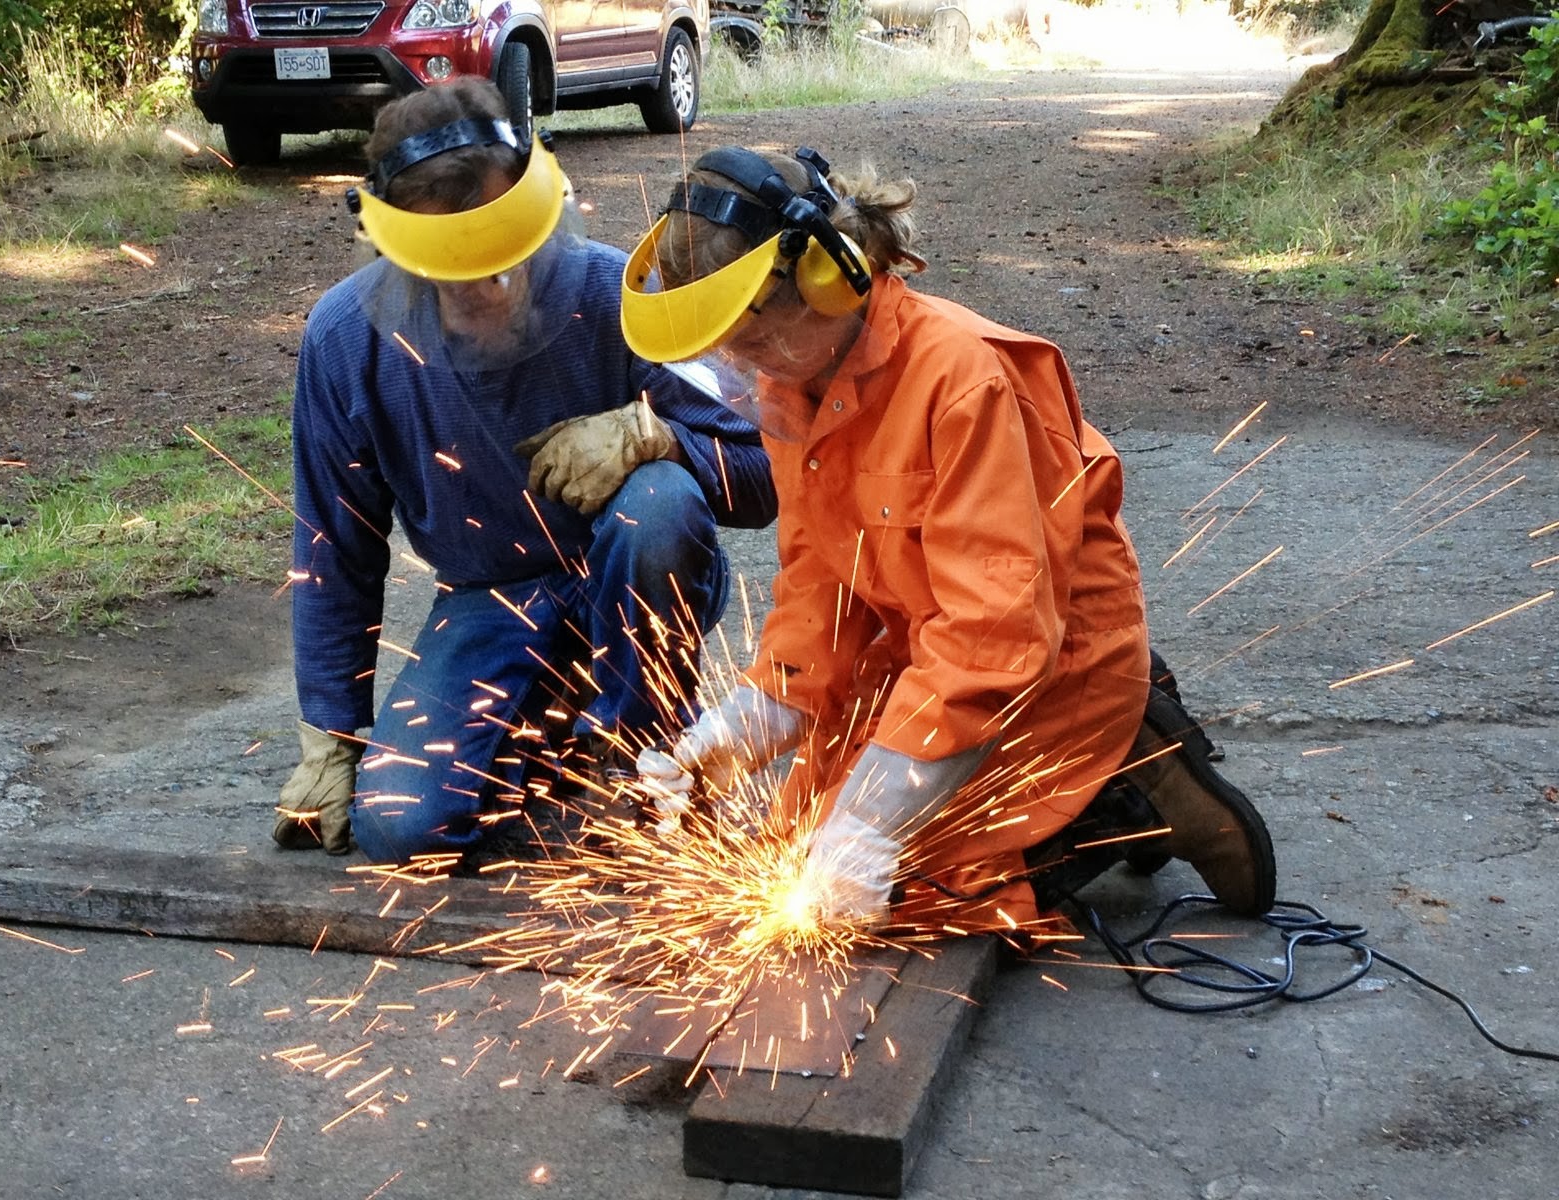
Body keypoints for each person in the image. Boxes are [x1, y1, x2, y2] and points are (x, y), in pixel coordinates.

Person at [623, 145, 1275, 935]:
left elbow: (992, 636)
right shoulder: (796, 382)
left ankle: (1130, 786)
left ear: (828, 281)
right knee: (797, 859)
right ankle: (1095, 769)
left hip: (1049, 652)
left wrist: (872, 829)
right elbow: (819, 589)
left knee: (909, 891)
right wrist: (732, 734)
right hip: (927, 647)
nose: (737, 365)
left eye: (749, 339)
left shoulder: (964, 382)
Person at [271, 81, 776, 869]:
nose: (495, 287)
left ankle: (640, 754)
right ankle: (557, 739)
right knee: (402, 827)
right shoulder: (348, 340)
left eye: (508, 257)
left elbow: (766, 471)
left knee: (659, 506)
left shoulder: (614, 294)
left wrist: (664, 441)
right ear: (397, 252)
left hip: (631, 577)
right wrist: (331, 734)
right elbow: (335, 547)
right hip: (491, 600)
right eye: (460, 269)